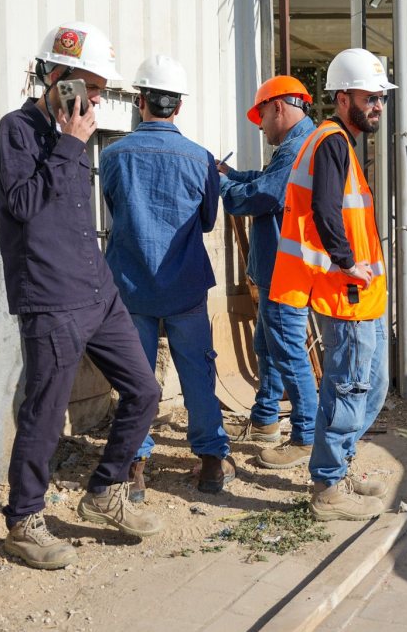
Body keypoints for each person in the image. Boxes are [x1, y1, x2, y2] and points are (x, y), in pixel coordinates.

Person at [0, 22, 162, 570]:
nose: (91, 98)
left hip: (97, 290)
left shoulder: (77, 136)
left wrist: (73, 142)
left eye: (96, 88)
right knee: (44, 413)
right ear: (55, 76)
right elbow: (23, 204)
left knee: (144, 391)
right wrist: (68, 143)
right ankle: (24, 520)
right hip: (50, 298)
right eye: (83, 85)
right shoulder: (17, 131)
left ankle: (104, 491)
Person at [99, 54, 233, 501]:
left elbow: (114, 212)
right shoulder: (200, 159)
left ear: (140, 101)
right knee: (197, 372)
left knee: (135, 380)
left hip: (131, 286)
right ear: (178, 107)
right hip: (186, 286)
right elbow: (209, 221)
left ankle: (134, 467)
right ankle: (211, 462)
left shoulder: (114, 155)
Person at [268, 47, 392, 521]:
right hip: (347, 293)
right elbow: (324, 210)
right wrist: (345, 262)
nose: (377, 106)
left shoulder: (337, 142)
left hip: (363, 294)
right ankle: (327, 488)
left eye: (381, 98)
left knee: (370, 385)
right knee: (349, 387)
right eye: (370, 97)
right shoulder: (332, 142)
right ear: (343, 98)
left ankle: (338, 465)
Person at [218, 75, 318, 470]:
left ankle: (306, 436)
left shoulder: (296, 148)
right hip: (277, 269)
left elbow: (263, 196)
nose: (259, 126)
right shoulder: (294, 145)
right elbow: (262, 180)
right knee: (269, 345)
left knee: (288, 352)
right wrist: (229, 173)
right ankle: (265, 419)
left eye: (261, 115)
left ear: (278, 106)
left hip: (286, 270)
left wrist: (222, 188)